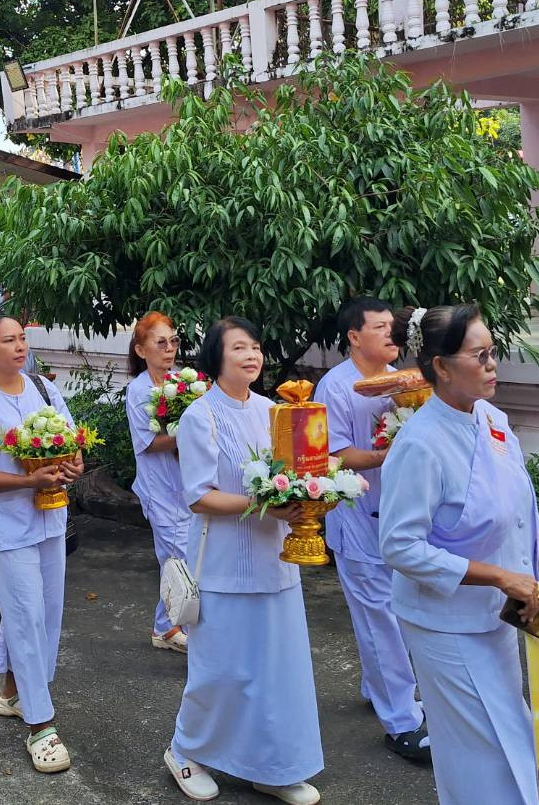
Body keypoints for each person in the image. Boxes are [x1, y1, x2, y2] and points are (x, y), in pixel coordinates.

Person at [378, 305, 539, 805]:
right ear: (441, 366)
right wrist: (499, 576)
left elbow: (519, 498)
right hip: (445, 623)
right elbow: (399, 546)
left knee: (508, 727)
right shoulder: (419, 444)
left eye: (493, 353)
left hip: (497, 616)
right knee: (479, 747)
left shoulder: (492, 419)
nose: (492, 365)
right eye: (479, 355)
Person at [164, 317, 323, 804]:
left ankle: (271, 766)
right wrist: (267, 506)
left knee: (278, 670)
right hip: (225, 564)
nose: (251, 355)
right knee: (221, 670)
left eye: (255, 346)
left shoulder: (274, 411)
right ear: (216, 358)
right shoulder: (200, 416)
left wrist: (312, 494)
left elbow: (296, 470)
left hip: (276, 558)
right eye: (239, 348)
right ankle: (184, 750)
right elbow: (199, 497)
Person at [0, 313, 80, 774]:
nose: (20, 346)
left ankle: (13, 693)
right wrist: (27, 480)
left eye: (22, 338)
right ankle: (41, 726)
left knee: (46, 613)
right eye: (9, 340)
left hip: (49, 518)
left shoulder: (45, 390)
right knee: (25, 616)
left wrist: (71, 465)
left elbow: (71, 442)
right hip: (6, 529)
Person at [313, 297, 428, 763]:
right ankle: (401, 721)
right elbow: (335, 454)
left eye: (392, 327)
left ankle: (377, 684)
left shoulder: (409, 379)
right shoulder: (336, 387)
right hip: (361, 516)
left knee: (396, 613)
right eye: (378, 327)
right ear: (354, 337)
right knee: (380, 618)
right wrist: (398, 450)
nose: (389, 334)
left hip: (406, 514)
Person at [124, 313, 192, 653]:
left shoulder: (183, 381)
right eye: (160, 342)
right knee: (176, 556)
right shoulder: (138, 390)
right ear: (141, 349)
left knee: (183, 556)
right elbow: (149, 442)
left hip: (189, 481)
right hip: (160, 486)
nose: (169, 349)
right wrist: (188, 432)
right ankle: (169, 627)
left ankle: (166, 626)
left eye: (174, 341)